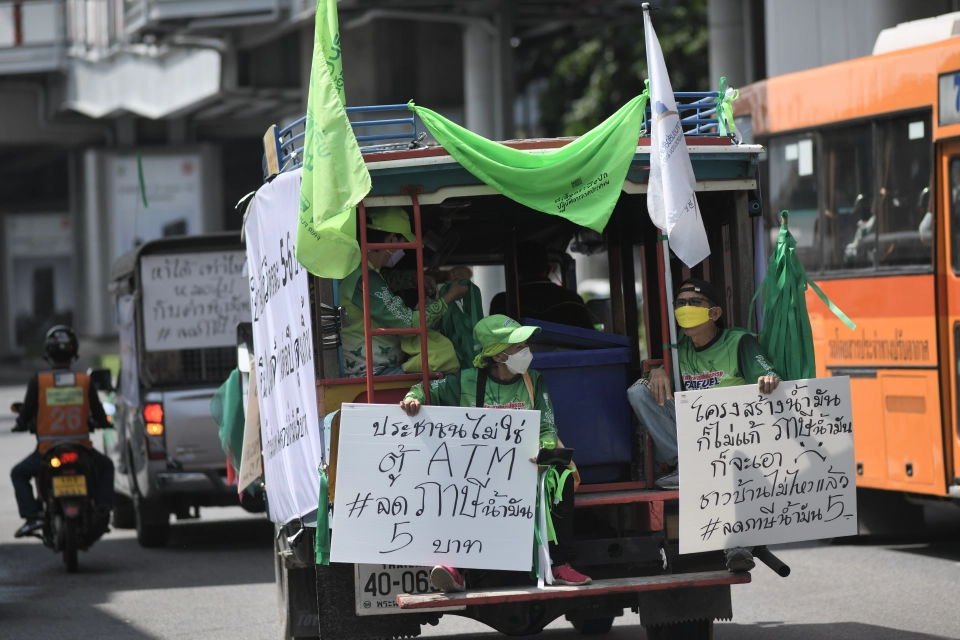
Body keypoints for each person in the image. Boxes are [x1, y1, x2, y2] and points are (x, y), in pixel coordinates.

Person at [400, 315, 592, 592]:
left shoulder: (534, 380)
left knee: (561, 472)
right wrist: (411, 398)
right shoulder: (464, 381)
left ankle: (559, 564)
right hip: (479, 471)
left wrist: (544, 452)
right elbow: (424, 390)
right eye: (518, 347)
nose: (526, 351)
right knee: (453, 482)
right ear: (497, 354)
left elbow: (548, 426)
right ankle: (454, 569)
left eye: (526, 344)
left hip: (529, 465)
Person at [626, 279, 780, 572]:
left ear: (715, 313)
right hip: (694, 442)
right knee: (638, 391)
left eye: (694, 303)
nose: (685, 309)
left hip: (737, 441)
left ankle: (737, 545)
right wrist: (657, 373)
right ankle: (686, 467)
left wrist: (767, 380)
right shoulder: (677, 349)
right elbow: (654, 390)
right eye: (680, 303)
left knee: (727, 472)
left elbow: (768, 376)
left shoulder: (739, 342)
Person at [10, 325, 115, 538]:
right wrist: (103, 422)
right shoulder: (84, 381)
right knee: (107, 466)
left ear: (48, 353)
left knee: (18, 473)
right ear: (74, 351)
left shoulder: (39, 381)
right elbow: (99, 413)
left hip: (47, 451)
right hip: (81, 449)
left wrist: (20, 423)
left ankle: (32, 516)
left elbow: (27, 412)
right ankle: (103, 509)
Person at [340, 207, 469, 377]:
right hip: (373, 371)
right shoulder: (365, 279)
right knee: (446, 367)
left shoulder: (362, 273)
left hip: (375, 367)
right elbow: (409, 322)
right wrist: (449, 297)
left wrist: (413, 278)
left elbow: (385, 279)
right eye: (402, 244)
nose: (402, 251)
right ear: (391, 239)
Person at [489, 242, 594, 330]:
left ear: (513, 271)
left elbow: (492, 344)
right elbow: (591, 339)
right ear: (549, 269)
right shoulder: (573, 300)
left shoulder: (501, 303)